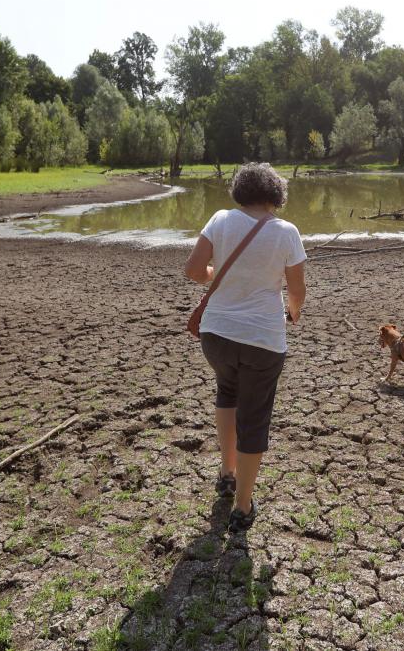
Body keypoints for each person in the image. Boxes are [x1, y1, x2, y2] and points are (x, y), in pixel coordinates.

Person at [183, 162, 306, 533]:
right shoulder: (287, 232)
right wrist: (292, 313)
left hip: (215, 334)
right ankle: (243, 505)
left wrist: (213, 276)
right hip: (262, 341)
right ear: (275, 195)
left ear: (240, 191)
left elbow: (193, 270)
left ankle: (226, 472)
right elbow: (297, 291)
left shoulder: (220, 219)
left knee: (227, 391)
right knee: (254, 417)